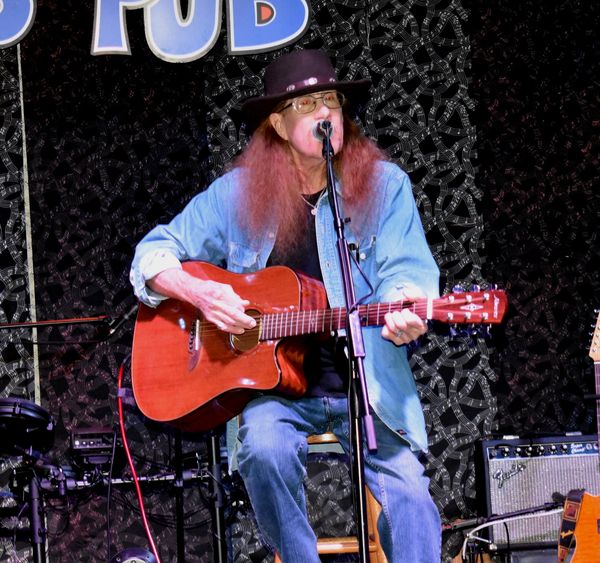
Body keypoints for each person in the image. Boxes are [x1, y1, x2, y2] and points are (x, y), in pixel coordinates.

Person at [130, 49, 441, 562]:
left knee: (410, 493)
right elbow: (151, 256)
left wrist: (405, 307)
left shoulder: (386, 186)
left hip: (368, 388)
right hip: (277, 392)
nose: (325, 112)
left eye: (331, 100)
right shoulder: (237, 194)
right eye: (308, 104)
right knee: (262, 448)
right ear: (277, 124)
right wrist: (202, 293)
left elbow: (406, 272)